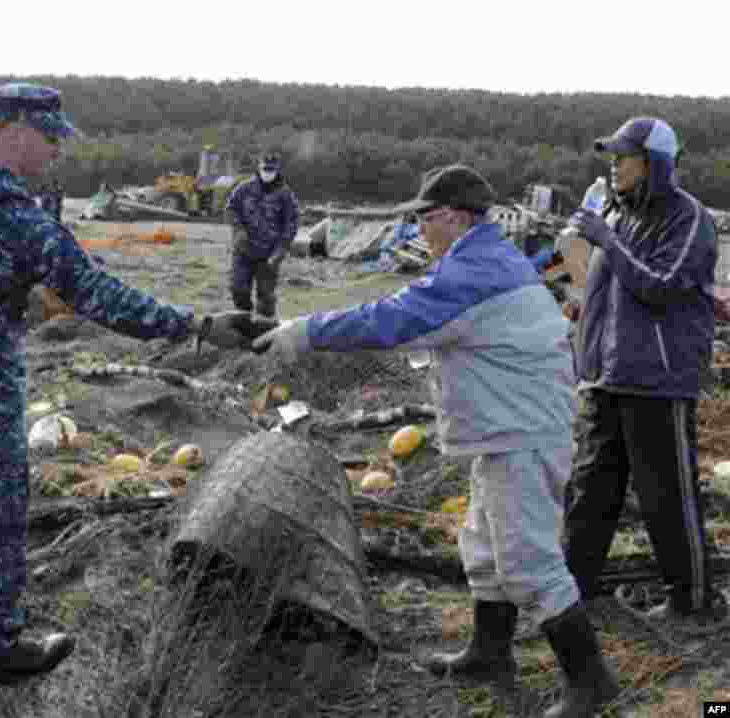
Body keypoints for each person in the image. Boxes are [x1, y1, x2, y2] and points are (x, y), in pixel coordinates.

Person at [0, 83, 263, 686]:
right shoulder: (17, 218)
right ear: (12, 133)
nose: (57, 150)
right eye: (50, 136)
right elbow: (98, 294)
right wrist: (196, 324)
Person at [254, 164, 620, 717]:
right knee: (484, 548)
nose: (419, 230)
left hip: (521, 433)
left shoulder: (471, 272)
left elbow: (392, 320)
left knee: (527, 559)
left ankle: (590, 682)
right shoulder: (485, 259)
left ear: (451, 216)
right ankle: (490, 652)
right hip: (509, 428)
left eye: (424, 218)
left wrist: (302, 332)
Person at [560, 117, 727, 634]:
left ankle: (693, 602)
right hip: (608, 375)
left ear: (652, 163)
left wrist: (607, 241)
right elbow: (606, 290)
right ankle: (570, 591)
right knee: (591, 488)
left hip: (658, 376)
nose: (613, 165)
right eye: (611, 156)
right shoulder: (617, 213)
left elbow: (663, 285)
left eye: (622, 156)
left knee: (666, 494)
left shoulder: (688, 218)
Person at [224, 152, 299, 318]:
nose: (267, 173)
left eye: (271, 170)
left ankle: (265, 328)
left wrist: (282, 249)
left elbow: (291, 224)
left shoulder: (285, 195)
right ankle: (243, 322)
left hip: (269, 254)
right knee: (238, 289)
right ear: (259, 168)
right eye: (265, 169)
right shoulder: (244, 188)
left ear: (277, 170)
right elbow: (231, 209)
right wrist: (238, 230)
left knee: (266, 298)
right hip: (243, 250)